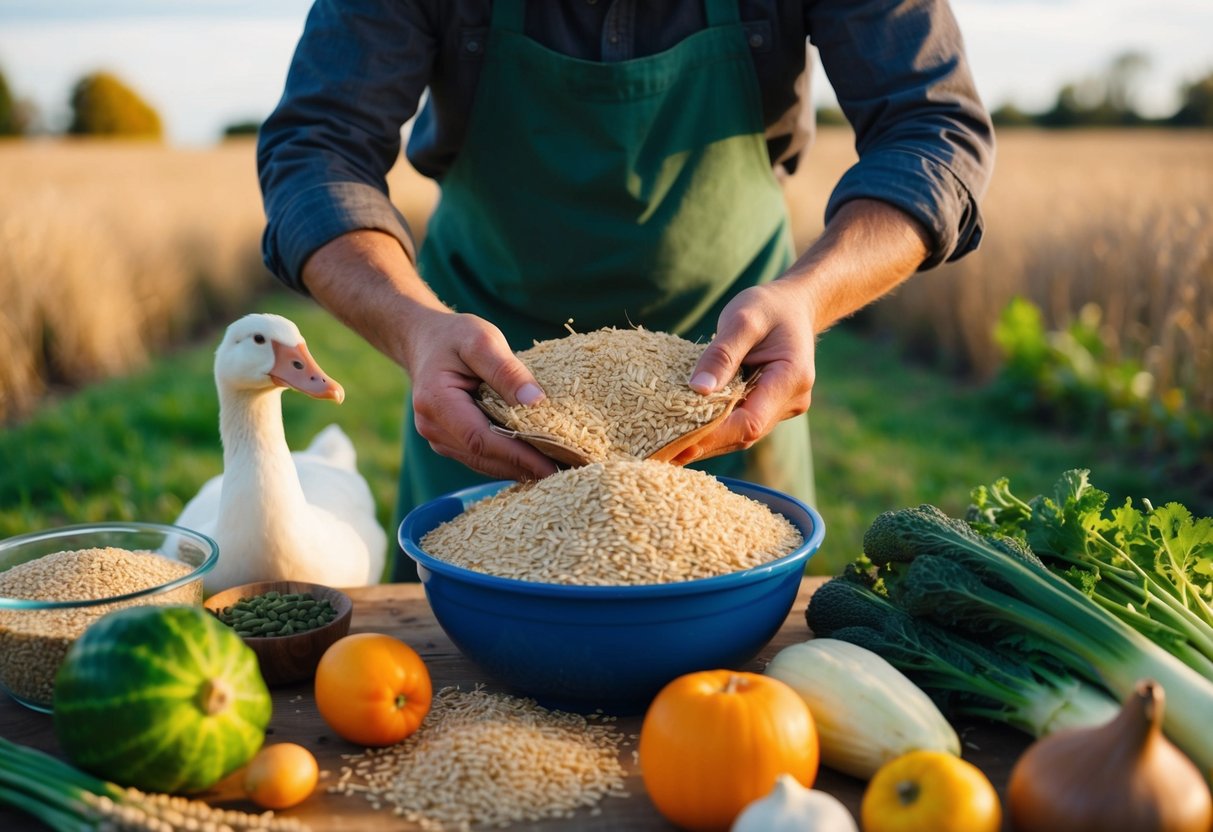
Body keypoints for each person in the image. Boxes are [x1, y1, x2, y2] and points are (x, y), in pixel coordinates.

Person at [257, 0, 995, 581]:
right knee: (469, 670)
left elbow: (932, 128)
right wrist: (415, 327)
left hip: (730, 372)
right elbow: (317, 149)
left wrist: (808, 297)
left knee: (731, 658)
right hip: (483, 375)